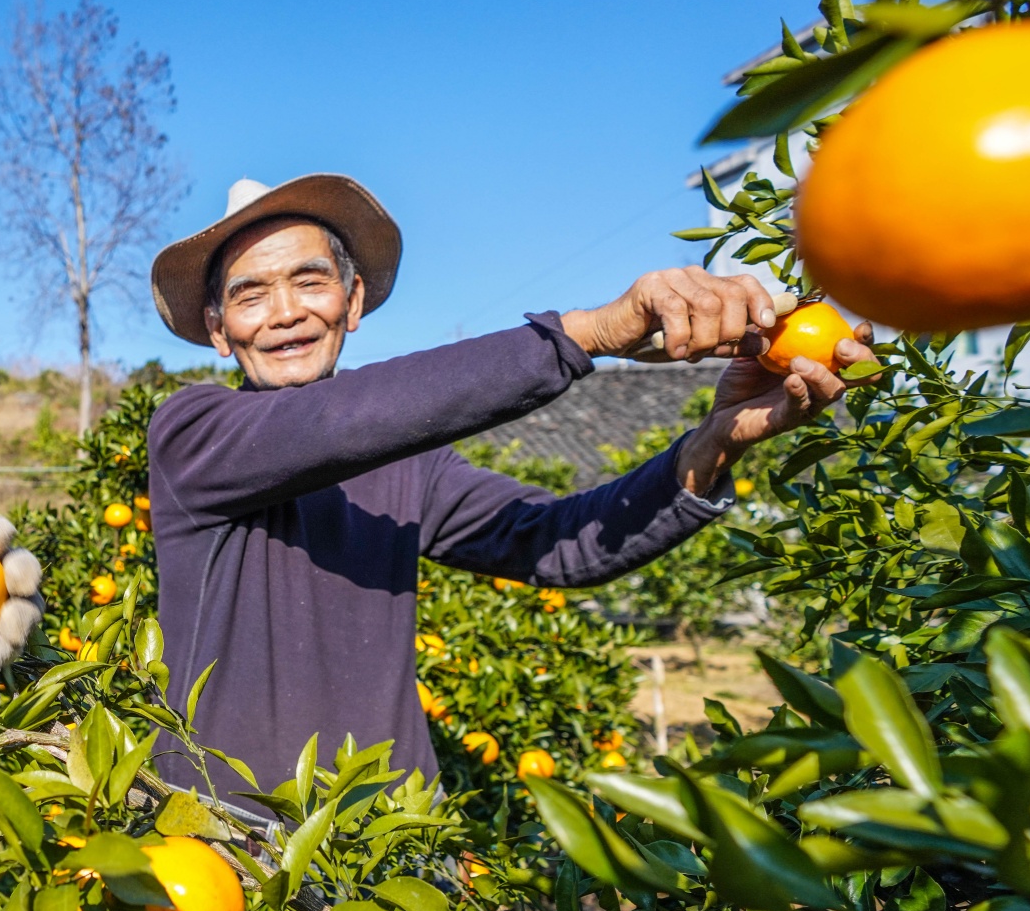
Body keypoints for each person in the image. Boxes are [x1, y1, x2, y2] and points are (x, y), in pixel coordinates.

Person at [145, 175, 870, 803]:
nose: (285, 312)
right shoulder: (194, 435)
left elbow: (559, 543)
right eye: (250, 295)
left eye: (310, 281)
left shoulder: (409, 467)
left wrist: (714, 442)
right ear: (218, 329)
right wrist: (591, 332)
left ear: (353, 299)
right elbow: (340, 419)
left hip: (390, 853)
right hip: (226, 850)